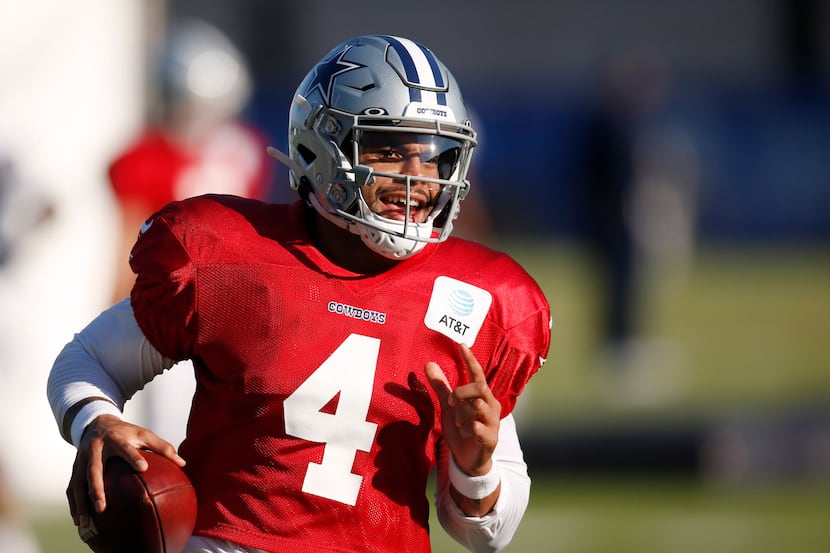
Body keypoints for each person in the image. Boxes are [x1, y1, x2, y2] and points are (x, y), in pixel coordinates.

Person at [47, 35, 551, 553]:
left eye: (434, 155)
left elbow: (489, 534)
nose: (418, 178)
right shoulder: (229, 257)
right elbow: (86, 359)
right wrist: (96, 419)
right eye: (390, 151)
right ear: (322, 148)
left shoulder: (482, 296)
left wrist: (476, 470)